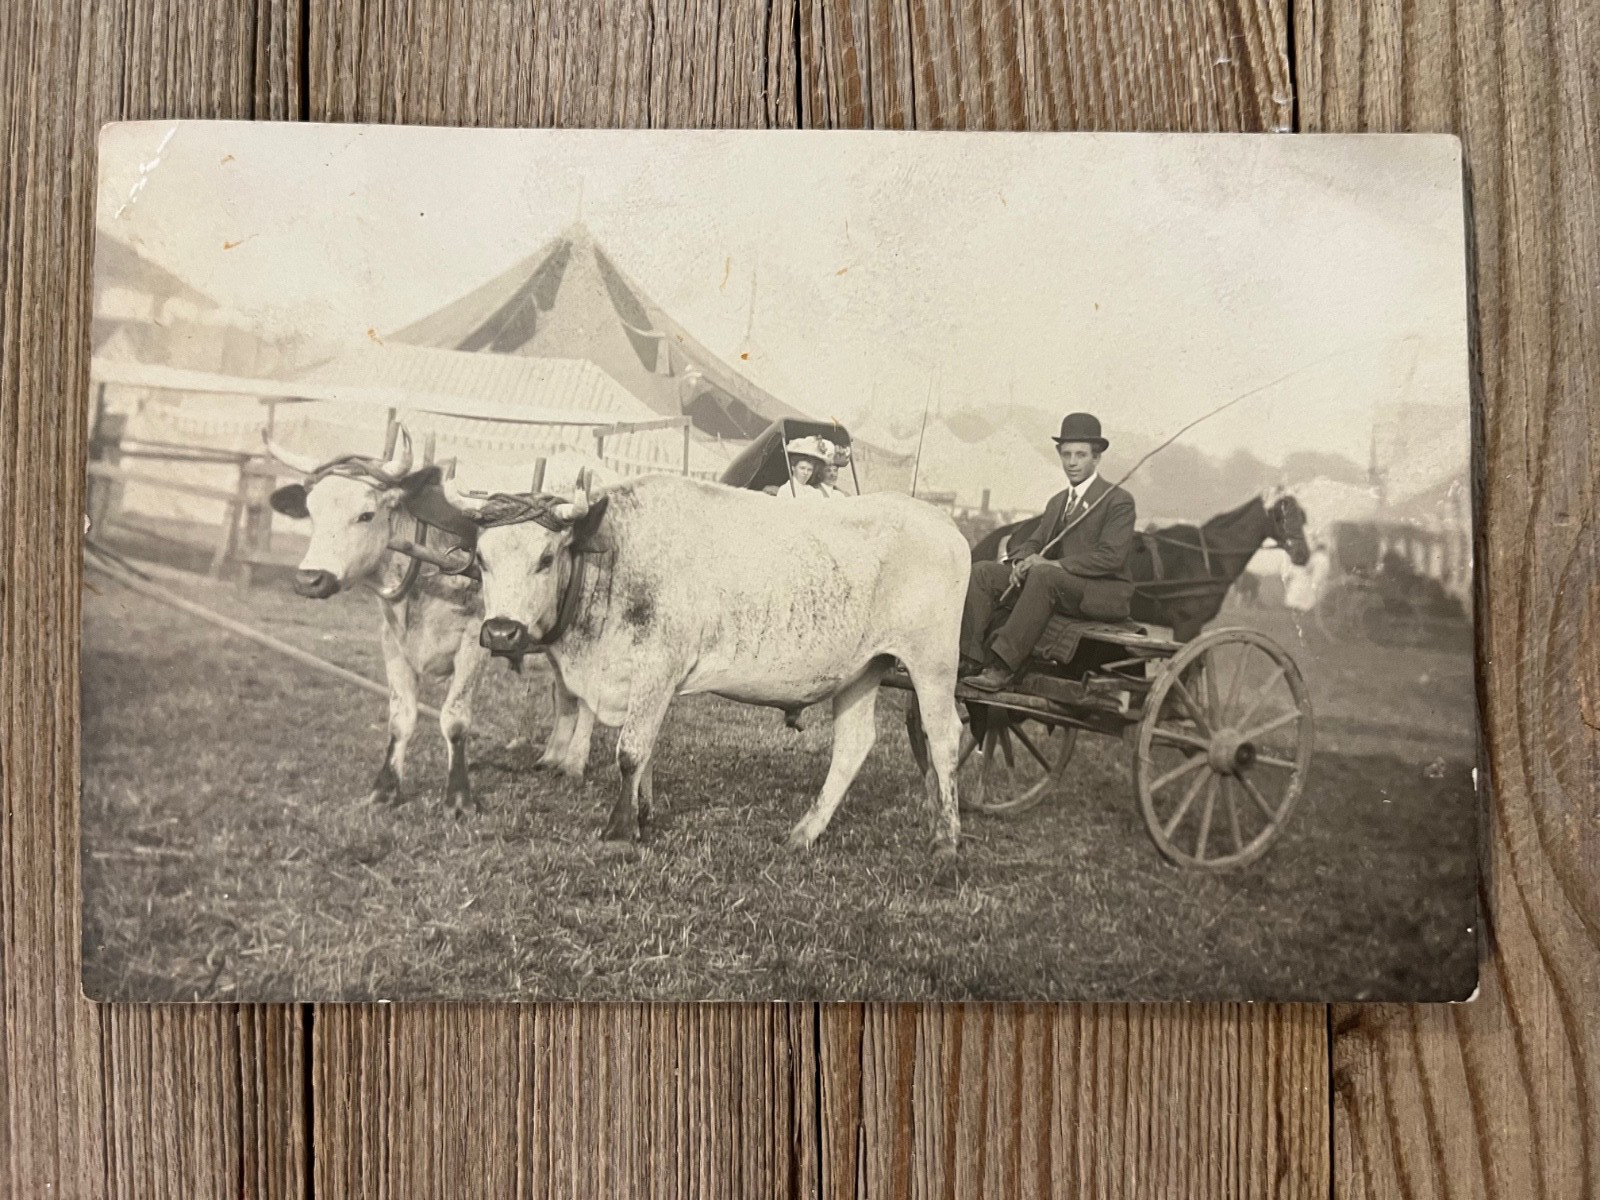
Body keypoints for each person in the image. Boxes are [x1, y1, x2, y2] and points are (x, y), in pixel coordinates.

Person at [962, 412, 1138, 692]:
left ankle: (1003, 666)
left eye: (1080, 455)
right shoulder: (1058, 502)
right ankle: (969, 657)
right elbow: (1034, 542)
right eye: (1066, 454)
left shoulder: (1117, 501)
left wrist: (1053, 565)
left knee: (1044, 575)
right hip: (1058, 584)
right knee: (983, 572)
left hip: (1102, 591)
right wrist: (1021, 560)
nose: (1072, 462)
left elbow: (1111, 557)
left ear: (1096, 458)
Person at [768, 437, 834, 501]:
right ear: (793, 467)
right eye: (802, 468)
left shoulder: (814, 492)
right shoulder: (786, 490)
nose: (805, 473)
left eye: (809, 470)